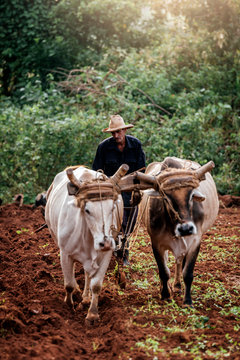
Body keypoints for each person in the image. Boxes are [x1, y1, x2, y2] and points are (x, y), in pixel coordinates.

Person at [92, 114, 146, 265]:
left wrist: (135, 188)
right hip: (110, 191)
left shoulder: (135, 145)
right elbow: (97, 170)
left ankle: (124, 251)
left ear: (124, 130)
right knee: (110, 220)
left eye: (119, 132)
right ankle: (111, 247)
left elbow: (142, 169)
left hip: (129, 189)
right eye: (113, 133)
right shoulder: (104, 147)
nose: (116, 135)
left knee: (128, 221)